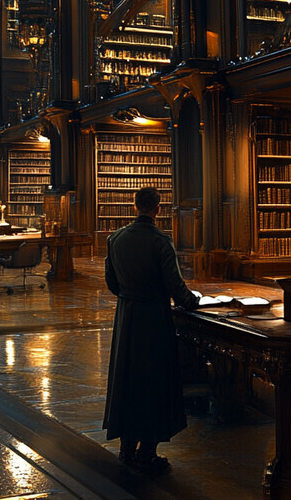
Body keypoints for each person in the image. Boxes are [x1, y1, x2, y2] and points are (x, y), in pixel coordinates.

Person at [103, 186, 199, 473]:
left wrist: (129, 296)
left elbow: (112, 282)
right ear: (158, 209)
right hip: (154, 319)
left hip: (127, 318)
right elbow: (174, 286)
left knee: (127, 379)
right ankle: (147, 451)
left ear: (135, 206)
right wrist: (192, 301)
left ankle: (125, 447)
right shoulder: (161, 241)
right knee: (154, 382)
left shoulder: (115, 238)